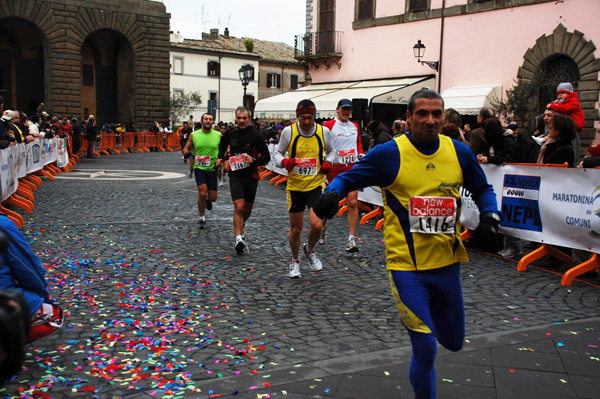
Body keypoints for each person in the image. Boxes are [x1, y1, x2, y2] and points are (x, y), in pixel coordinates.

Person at [312, 90, 500, 399]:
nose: (430, 120)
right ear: (409, 117)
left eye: (436, 114)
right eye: (422, 114)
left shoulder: (459, 152)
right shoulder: (389, 153)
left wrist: (490, 217)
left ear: (443, 118)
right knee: (425, 347)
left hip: (447, 265)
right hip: (406, 268)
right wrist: (332, 193)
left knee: (453, 342)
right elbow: (349, 178)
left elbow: (482, 189)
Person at [274, 99, 335, 277]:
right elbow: (277, 153)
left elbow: (332, 151)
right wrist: (284, 162)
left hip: (316, 184)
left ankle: (309, 249)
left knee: (317, 225)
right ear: (297, 117)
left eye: (310, 118)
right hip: (295, 187)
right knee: (296, 228)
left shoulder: (323, 131)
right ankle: (295, 261)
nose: (307, 122)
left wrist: (328, 163)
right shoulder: (289, 132)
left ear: (314, 116)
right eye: (302, 118)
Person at [0, 214, 64, 343]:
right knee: (54, 316)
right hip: (3, 300)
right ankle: (7, 349)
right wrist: (42, 297)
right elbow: (28, 269)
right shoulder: (3, 225)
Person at [217, 107, 270, 253]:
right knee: (238, 206)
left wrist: (253, 159)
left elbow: (266, 157)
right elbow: (222, 145)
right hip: (235, 174)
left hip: (251, 176)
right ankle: (238, 239)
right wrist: (221, 157)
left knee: (247, 210)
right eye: (239, 118)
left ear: (249, 119)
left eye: (244, 118)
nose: (241, 121)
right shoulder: (230, 133)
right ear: (235, 119)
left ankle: (242, 224)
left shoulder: (257, 136)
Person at [322, 99, 365, 252]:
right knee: (330, 202)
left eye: (349, 109)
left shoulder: (355, 126)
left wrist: (360, 153)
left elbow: (358, 143)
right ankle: (322, 227)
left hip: (352, 168)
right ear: (337, 110)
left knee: (352, 203)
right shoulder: (328, 126)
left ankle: (351, 240)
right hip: (335, 169)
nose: (346, 112)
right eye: (343, 109)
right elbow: (322, 144)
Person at [183, 113, 221, 229]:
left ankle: (208, 201)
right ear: (202, 121)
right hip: (199, 167)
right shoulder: (194, 135)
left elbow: (223, 149)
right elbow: (186, 147)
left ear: (212, 122)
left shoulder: (218, 135)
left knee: (213, 197)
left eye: (210, 119)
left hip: (212, 168)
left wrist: (220, 159)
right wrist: (186, 153)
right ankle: (202, 217)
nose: (208, 121)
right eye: (206, 119)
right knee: (202, 192)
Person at [547, 82, 585, 163]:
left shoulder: (574, 102)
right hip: (566, 128)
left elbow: (565, 109)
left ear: (569, 93)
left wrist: (553, 106)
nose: (560, 95)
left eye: (563, 93)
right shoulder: (560, 102)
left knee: (573, 149)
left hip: (573, 127)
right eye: (558, 93)